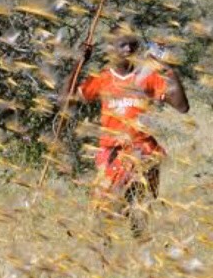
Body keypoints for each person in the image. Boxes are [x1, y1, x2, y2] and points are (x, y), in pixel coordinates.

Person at [75, 36, 190, 239]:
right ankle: (103, 257)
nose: (128, 49)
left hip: (143, 152)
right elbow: (67, 100)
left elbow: (182, 106)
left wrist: (168, 70)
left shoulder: (147, 77)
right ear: (111, 48)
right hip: (111, 152)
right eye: (123, 44)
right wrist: (80, 62)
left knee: (139, 209)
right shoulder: (102, 78)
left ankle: (141, 256)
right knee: (102, 208)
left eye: (133, 45)